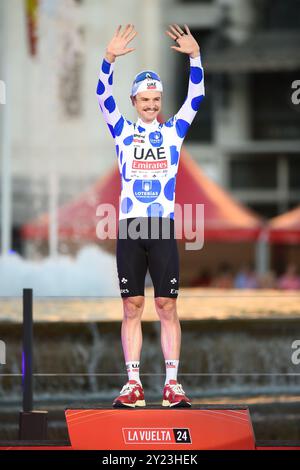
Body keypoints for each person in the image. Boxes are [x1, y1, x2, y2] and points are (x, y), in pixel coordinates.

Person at [97, 24, 204, 408]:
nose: (151, 105)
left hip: (162, 228)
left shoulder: (174, 131)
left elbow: (196, 97)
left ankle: (173, 385)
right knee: (132, 306)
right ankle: (133, 385)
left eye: (156, 99)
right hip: (129, 227)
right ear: (134, 100)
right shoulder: (122, 131)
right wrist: (108, 58)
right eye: (144, 100)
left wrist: (195, 57)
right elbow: (101, 96)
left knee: (167, 305)